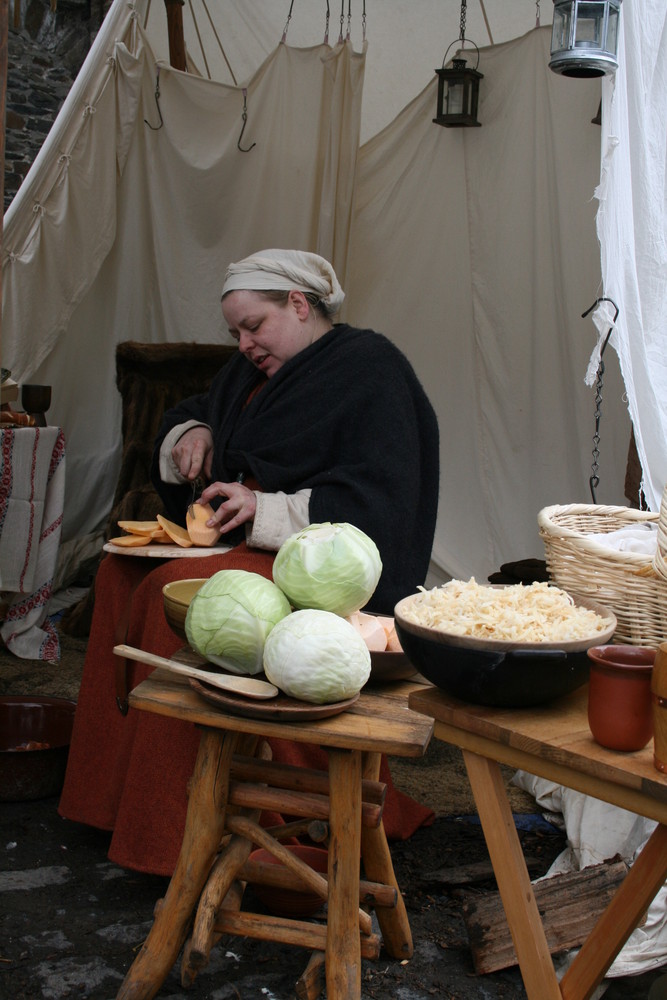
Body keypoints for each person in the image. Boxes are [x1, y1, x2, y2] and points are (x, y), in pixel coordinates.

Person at [59, 249, 440, 876]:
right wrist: (191, 435)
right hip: (246, 545)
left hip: (305, 558)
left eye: (253, 326)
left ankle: (173, 834)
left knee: (173, 588)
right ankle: (110, 798)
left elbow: (380, 499)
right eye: (234, 331)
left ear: (298, 305)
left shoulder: (370, 369)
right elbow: (200, 407)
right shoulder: (250, 372)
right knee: (116, 571)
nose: (243, 343)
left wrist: (264, 507)